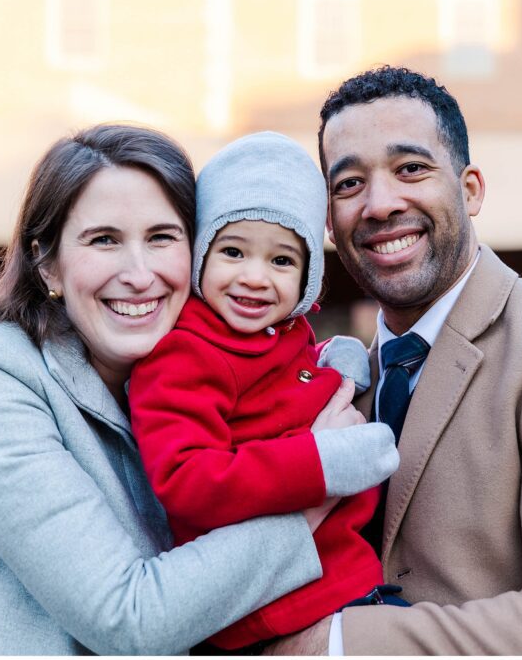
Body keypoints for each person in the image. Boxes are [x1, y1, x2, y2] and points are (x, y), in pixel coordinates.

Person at [0, 124, 398, 655]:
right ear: (46, 261)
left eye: (161, 238)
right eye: (104, 240)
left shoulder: (195, 378)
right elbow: (127, 618)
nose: (140, 275)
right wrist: (319, 486)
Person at [265, 66, 522, 655]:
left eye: (410, 168)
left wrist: (328, 644)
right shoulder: (333, 383)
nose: (380, 204)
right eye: (349, 183)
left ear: (470, 189)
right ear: (329, 222)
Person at [130, 131, 404, 651]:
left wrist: (331, 362)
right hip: (273, 609)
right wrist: (322, 462)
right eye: (233, 251)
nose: (255, 278)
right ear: (199, 257)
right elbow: (187, 477)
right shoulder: (185, 353)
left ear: (306, 278)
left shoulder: (275, 331)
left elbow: (278, 391)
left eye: (282, 262)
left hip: (339, 579)